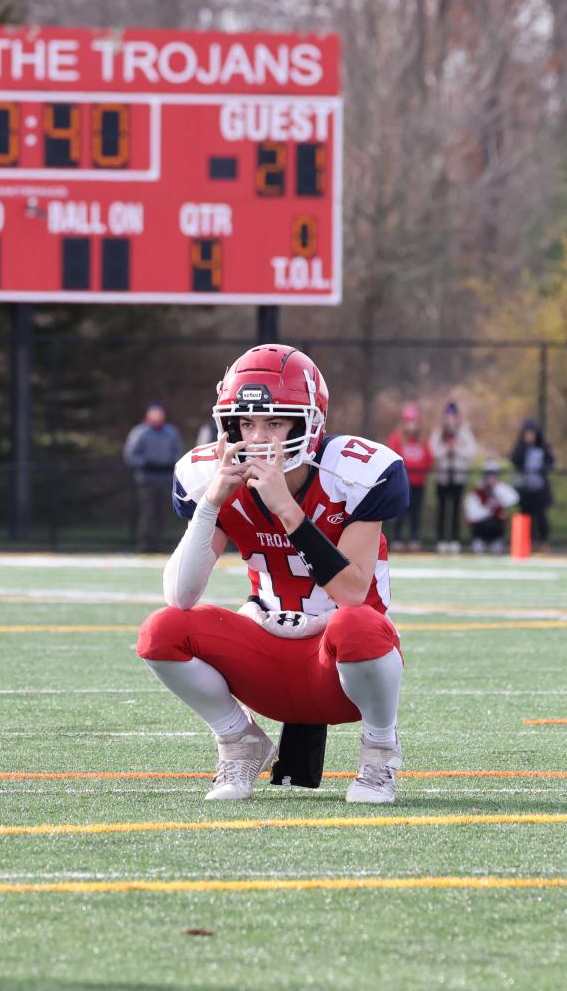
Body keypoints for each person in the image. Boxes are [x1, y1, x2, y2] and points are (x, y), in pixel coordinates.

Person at [136, 344, 410, 804]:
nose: (257, 437)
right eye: (246, 423)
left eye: (275, 422)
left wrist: (288, 511)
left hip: (342, 669)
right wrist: (210, 505)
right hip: (262, 655)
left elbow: (353, 595)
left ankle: (380, 750)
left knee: (357, 623)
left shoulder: (354, 473)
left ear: (310, 423)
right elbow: (179, 596)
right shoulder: (214, 476)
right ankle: (237, 739)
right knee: (161, 631)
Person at [123, 403, 184, 553]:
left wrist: (170, 463)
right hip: (147, 480)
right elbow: (130, 455)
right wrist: (147, 463)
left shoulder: (171, 432)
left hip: (166, 479)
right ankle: (145, 546)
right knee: (148, 513)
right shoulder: (140, 432)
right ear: (148, 416)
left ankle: (162, 545)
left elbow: (179, 453)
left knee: (163, 513)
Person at [429, 401, 477, 553]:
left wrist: (456, 449)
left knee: (456, 510)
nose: (450, 419)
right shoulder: (439, 432)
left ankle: (455, 540)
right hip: (442, 477)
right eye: (448, 416)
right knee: (442, 510)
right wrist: (446, 449)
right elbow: (433, 451)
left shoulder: (464, 432)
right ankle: (441, 540)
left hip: (458, 477)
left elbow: (471, 452)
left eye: (453, 416)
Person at [385, 402, 433, 551]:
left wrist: (419, 468)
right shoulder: (396, 439)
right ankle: (397, 539)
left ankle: (414, 538)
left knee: (415, 512)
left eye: (414, 422)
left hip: (419, 483)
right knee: (400, 511)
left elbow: (429, 460)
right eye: (409, 422)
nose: (411, 425)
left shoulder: (422, 440)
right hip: (402, 483)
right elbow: (391, 457)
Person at [510, 418, 555, 550]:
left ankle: (543, 541)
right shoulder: (520, 446)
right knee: (525, 515)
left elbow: (550, 462)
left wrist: (543, 468)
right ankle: (525, 542)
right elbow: (514, 459)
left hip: (540, 488)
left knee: (541, 516)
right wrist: (524, 447)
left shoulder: (543, 447)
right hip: (525, 488)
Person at [464, 460, 519, 553]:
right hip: (480, 526)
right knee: (484, 523)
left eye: (494, 474)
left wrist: (497, 488)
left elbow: (514, 498)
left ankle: (496, 542)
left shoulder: (499, 489)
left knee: (498, 521)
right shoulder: (477, 492)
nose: (491, 478)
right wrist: (489, 509)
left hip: (496, 527)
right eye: (488, 475)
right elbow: (472, 515)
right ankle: (479, 542)